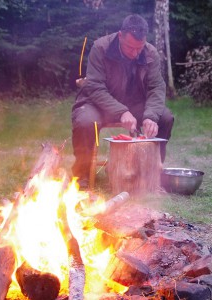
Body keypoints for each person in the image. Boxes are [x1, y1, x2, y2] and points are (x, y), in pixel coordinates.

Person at [71, 14, 174, 189]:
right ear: (120, 36)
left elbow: (156, 88)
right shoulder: (100, 48)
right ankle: (82, 175)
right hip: (97, 102)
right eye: (130, 48)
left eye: (139, 48)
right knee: (85, 121)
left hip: (134, 103)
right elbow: (95, 87)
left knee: (164, 117)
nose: (135, 53)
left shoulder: (150, 53)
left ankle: (151, 172)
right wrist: (121, 111)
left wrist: (150, 116)